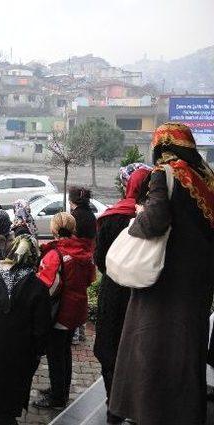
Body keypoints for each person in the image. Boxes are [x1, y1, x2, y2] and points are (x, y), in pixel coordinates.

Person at [109, 123, 214, 424]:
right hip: (198, 281)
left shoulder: (165, 172)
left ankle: (150, 413)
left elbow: (155, 222)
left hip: (164, 279)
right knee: (187, 345)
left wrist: (136, 221)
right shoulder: (207, 177)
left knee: (152, 344)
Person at [93, 165, 151, 424]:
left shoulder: (111, 217)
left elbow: (100, 259)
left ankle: (113, 405)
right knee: (139, 349)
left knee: (109, 347)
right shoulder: (155, 219)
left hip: (114, 290)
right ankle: (138, 406)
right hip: (143, 294)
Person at [0, 235, 51, 425]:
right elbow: (41, 329)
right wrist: (38, 352)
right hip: (20, 354)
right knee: (10, 397)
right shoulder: (37, 286)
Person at [34, 212, 95, 410]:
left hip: (59, 311)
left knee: (55, 355)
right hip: (76, 309)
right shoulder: (84, 251)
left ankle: (57, 398)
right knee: (65, 352)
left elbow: (46, 285)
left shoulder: (55, 254)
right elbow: (90, 279)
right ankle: (61, 389)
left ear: (53, 229)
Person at [68, 186, 96, 345]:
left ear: (72, 200)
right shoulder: (91, 215)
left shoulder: (74, 217)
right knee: (82, 294)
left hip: (75, 257)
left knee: (72, 295)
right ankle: (81, 332)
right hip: (88, 258)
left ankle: (75, 334)